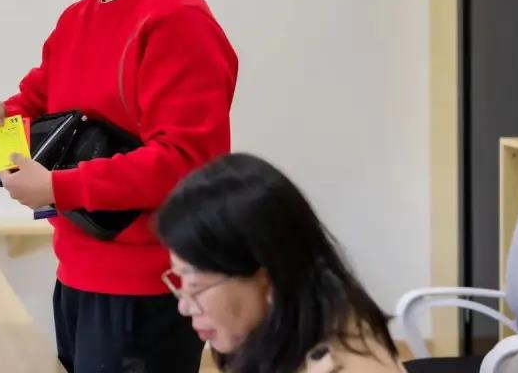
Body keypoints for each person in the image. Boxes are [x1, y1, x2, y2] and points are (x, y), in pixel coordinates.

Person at [0, 0, 239, 372]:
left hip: (148, 290)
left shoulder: (176, 20)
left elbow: (187, 163)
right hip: (75, 274)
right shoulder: (77, 19)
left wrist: (58, 187)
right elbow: (33, 108)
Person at [155, 153, 406, 373]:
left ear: (270, 280)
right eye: (179, 281)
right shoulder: (286, 330)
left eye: (196, 287)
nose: (184, 307)